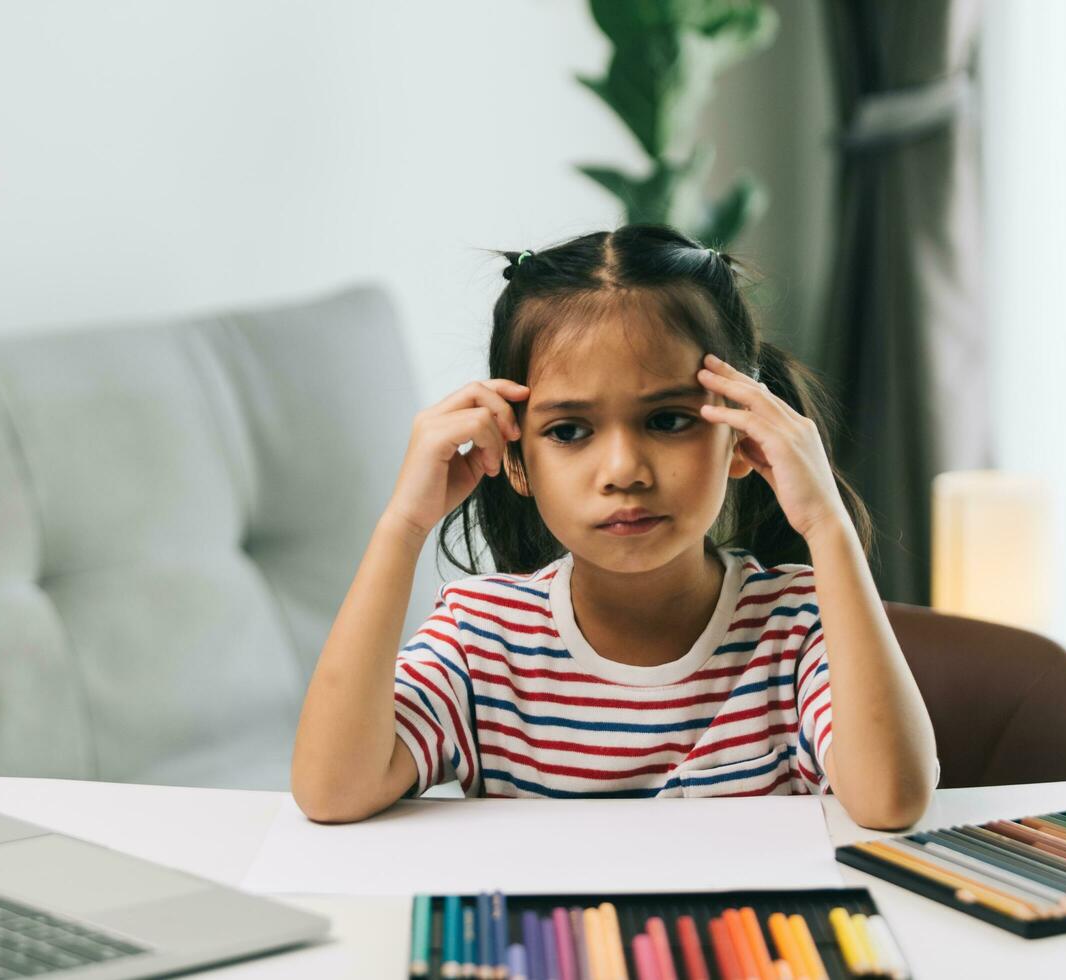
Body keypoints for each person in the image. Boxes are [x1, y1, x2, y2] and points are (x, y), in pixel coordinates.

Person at [291, 224, 938, 828]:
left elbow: (890, 799)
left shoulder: (796, 624)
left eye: (667, 421)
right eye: (569, 431)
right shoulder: (482, 638)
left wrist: (825, 522)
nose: (624, 470)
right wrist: (403, 524)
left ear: (743, 436)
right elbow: (332, 790)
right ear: (515, 459)